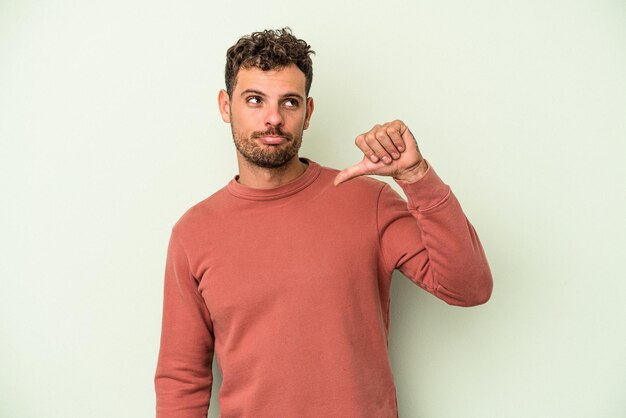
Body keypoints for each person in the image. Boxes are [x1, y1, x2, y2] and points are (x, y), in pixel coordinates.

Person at [155, 28, 492, 418]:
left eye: (290, 102)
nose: (273, 118)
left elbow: (469, 287)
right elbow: (182, 378)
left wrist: (416, 175)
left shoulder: (368, 200)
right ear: (226, 106)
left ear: (308, 112)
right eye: (254, 100)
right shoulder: (193, 233)